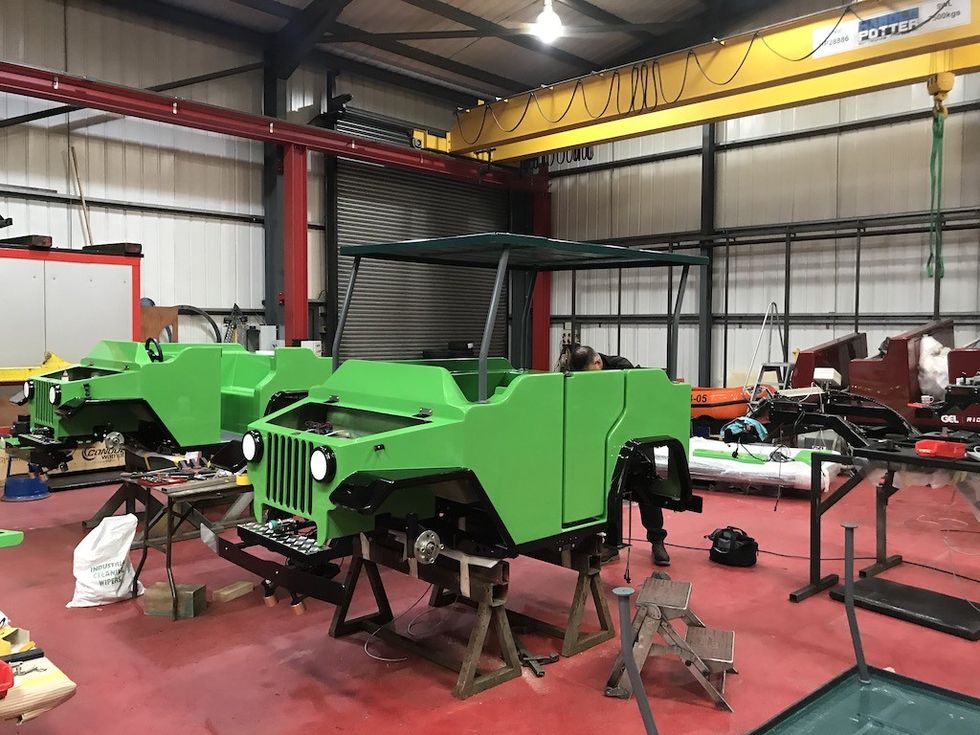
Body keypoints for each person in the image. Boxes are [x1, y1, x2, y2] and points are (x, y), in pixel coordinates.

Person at [566, 345, 670, 566]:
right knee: (611, 493)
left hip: (635, 440)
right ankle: (611, 545)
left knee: (646, 489)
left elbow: (633, 406)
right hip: (605, 441)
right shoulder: (584, 375)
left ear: (597, 363)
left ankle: (657, 542)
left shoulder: (623, 368)